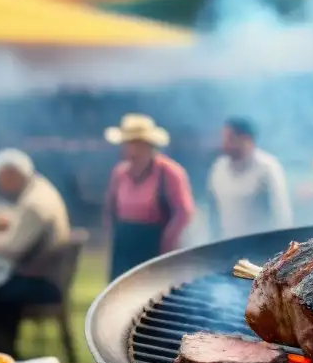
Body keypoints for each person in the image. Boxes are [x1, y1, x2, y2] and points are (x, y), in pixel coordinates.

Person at [0, 149, 71, 355]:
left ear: (11, 174)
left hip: (41, 283)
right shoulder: (38, 189)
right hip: (45, 275)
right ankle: (2, 351)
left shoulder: (34, 204)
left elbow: (12, 249)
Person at [103, 114, 194, 281]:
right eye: (128, 143)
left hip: (156, 249)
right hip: (124, 249)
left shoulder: (170, 173)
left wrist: (166, 245)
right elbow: (110, 208)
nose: (131, 149)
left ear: (149, 145)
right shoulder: (120, 173)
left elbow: (184, 213)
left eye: (136, 144)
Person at [207, 117, 292, 240]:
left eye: (230, 138)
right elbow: (212, 210)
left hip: (262, 246)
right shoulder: (218, 167)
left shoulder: (267, 167)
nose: (224, 144)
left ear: (246, 139)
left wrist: (282, 243)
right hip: (228, 246)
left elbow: (281, 213)